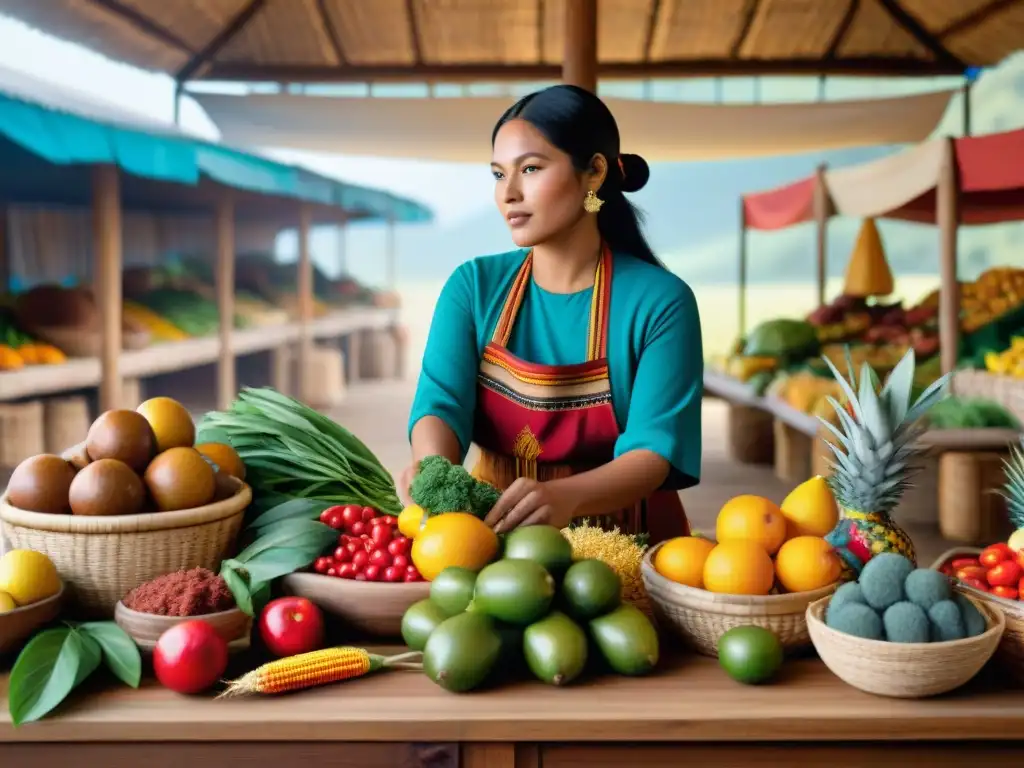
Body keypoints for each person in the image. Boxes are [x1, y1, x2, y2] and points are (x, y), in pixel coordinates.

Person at [399, 84, 703, 545]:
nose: (509, 193)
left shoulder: (662, 302)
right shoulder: (473, 287)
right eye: (499, 175)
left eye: (531, 169)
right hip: (490, 538)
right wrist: (433, 467)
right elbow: (440, 403)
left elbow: (654, 450)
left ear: (594, 172)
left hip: (627, 542)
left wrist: (566, 497)